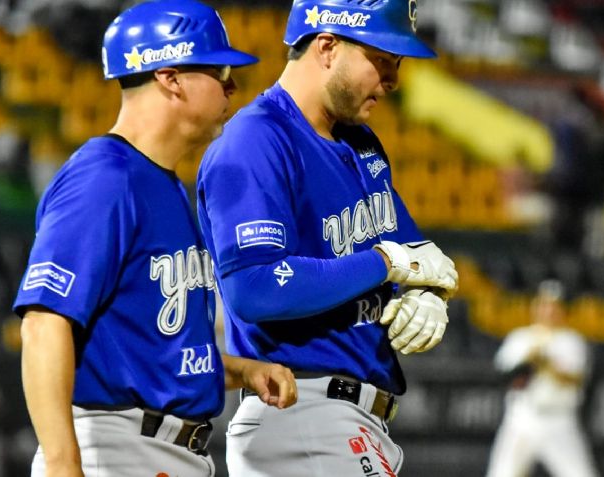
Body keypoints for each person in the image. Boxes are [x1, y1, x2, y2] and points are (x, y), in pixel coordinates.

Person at [12, 2, 297, 476]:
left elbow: (149, 355)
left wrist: (239, 371)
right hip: (116, 451)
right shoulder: (104, 177)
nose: (233, 85)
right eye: (220, 69)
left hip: (161, 451)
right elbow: (44, 325)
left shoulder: (161, 184)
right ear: (171, 78)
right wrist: (64, 466)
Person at [195, 0, 459, 475]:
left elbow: (416, 255)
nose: (393, 79)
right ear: (328, 47)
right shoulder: (257, 139)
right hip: (303, 410)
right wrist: (385, 264)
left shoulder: (360, 142)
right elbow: (255, 287)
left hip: (351, 422)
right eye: (382, 60)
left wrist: (427, 293)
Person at [485, 280, 598, 477]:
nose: (548, 310)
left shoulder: (571, 341)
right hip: (521, 418)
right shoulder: (520, 338)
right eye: (544, 304)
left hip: (559, 421)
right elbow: (504, 376)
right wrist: (529, 362)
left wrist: (546, 363)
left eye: (554, 305)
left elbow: (574, 379)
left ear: (563, 309)